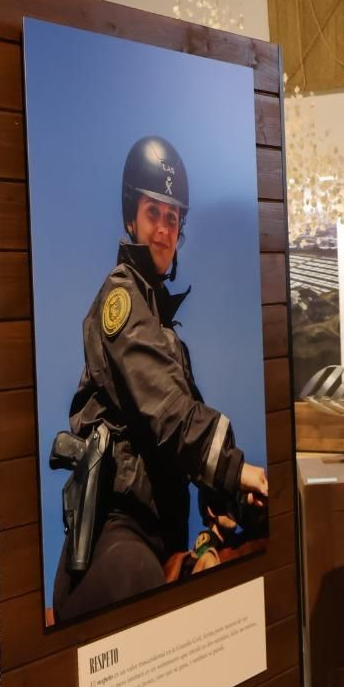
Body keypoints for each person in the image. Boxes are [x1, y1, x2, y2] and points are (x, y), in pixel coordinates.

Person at [50, 136, 269, 623]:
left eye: (174, 219)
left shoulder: (164, 327)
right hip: (117, 530)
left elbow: (178, 440)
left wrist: (224, 498)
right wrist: (238, 468)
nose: (166, 229)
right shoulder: (122, 298)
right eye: (155, 213)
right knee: (143, 590)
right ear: (132, 218)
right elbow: (169, 413)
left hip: (162, 531)